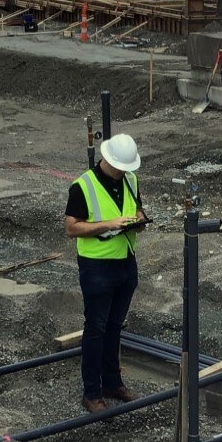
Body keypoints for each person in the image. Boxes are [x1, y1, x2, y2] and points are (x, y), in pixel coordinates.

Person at [64, 133, 147, 414]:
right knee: (96, 329)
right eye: (120, 167)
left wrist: (138, 221)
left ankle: (112, 382)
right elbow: (72, 228)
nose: (125, 172)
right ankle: (92, 392)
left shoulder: (131, 180)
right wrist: (106, 224)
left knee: (114, 327)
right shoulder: (82, 186)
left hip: (126, 262)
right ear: (107, 160)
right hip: (97, 266)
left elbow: (137, 210)